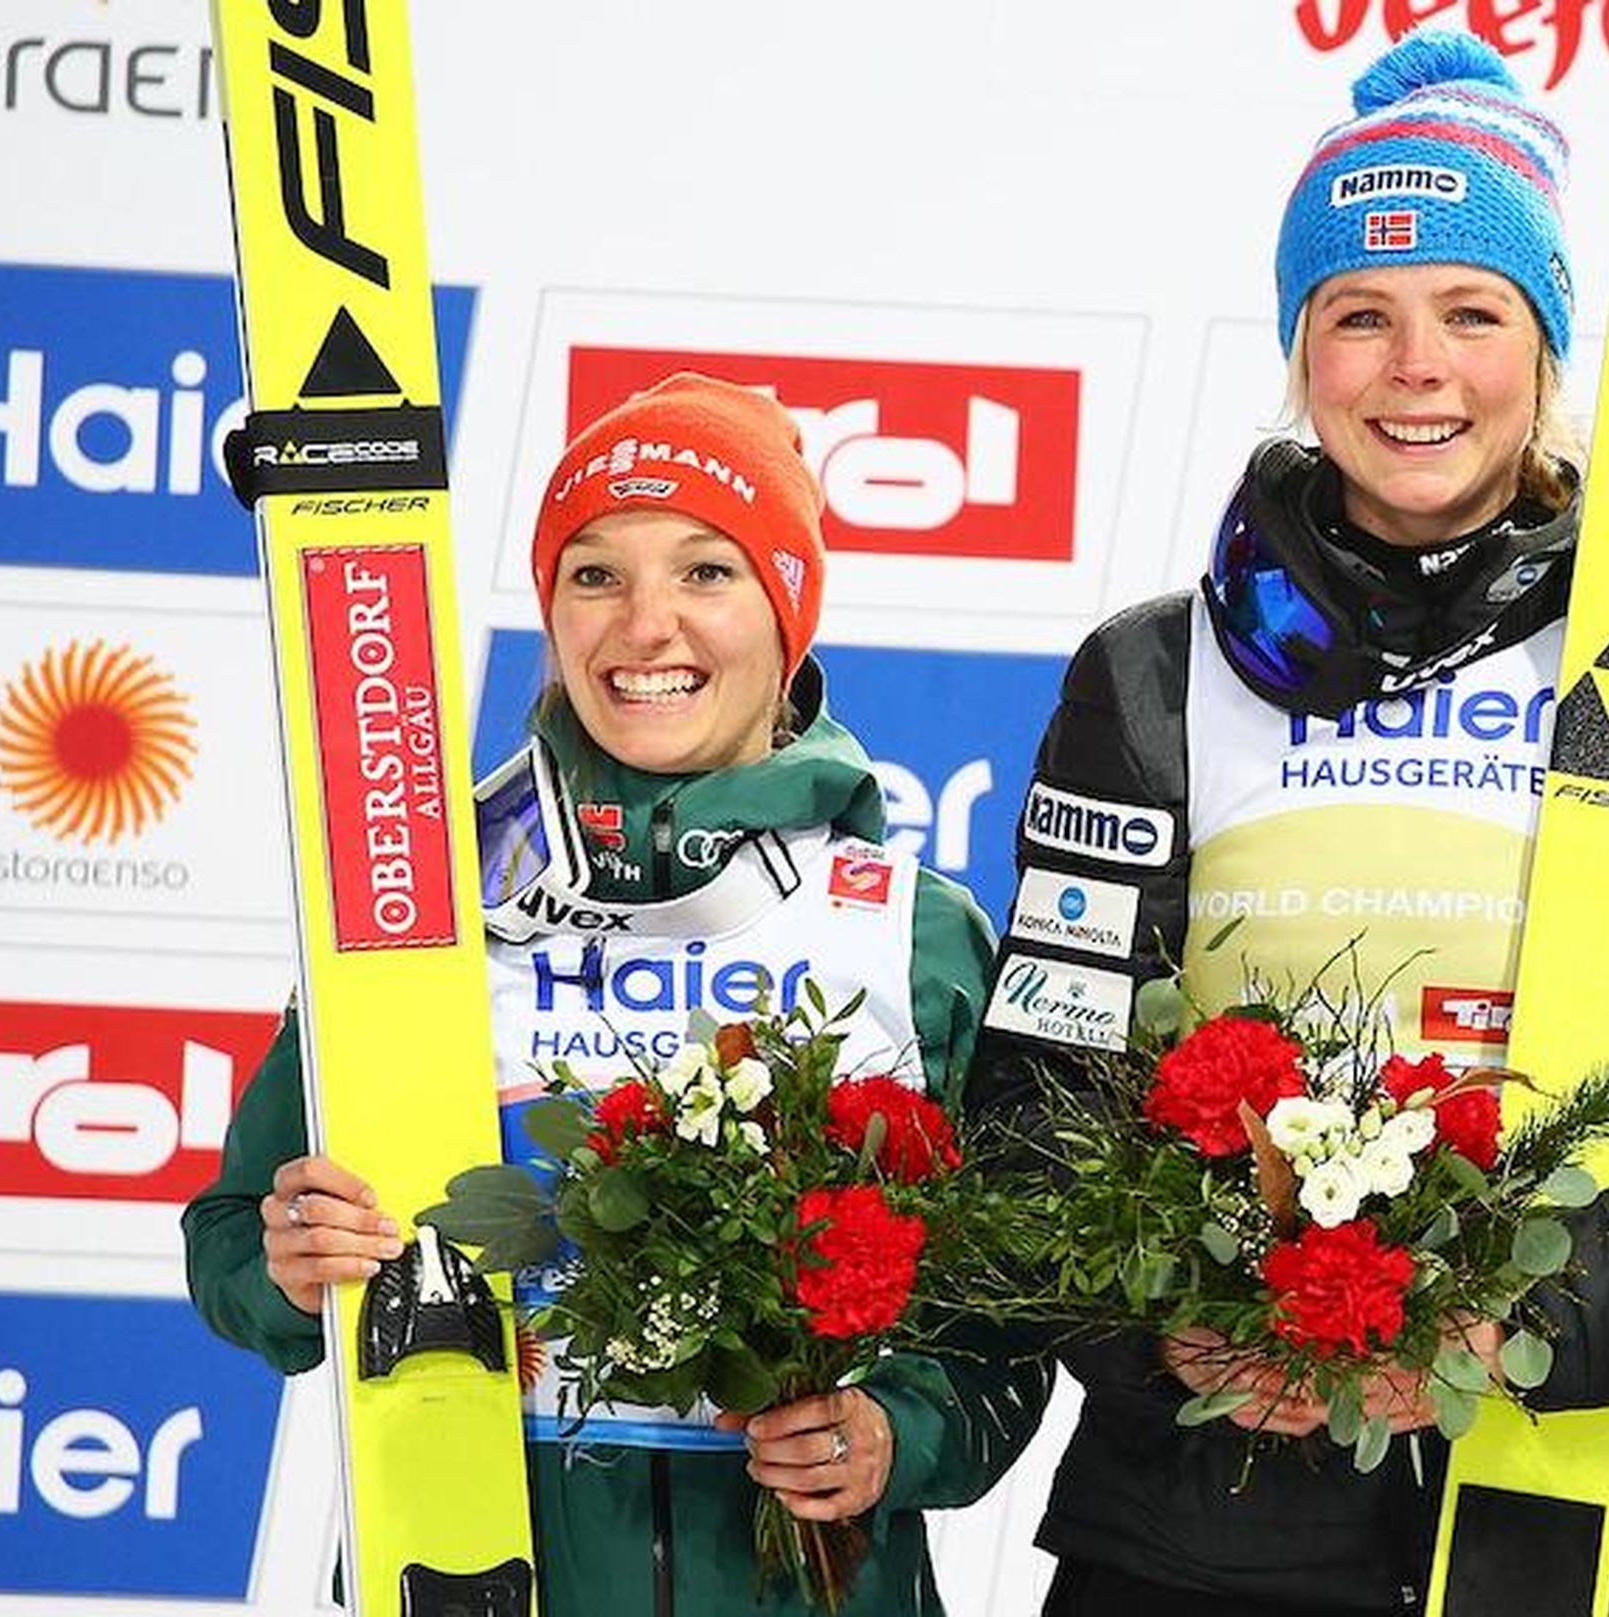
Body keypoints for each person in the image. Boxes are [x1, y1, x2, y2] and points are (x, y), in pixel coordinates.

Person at [967, 32, 1609, 1617]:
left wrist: (1546, 1321)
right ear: (1299, 347)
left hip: (1568, 1509)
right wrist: (1160, 1322)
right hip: (1197, 1523)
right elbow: (1044, 1080)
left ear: (1544, 347)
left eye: (1474, 313)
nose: (1418, 369)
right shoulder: (1152, 675)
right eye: (1359, 316)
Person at [183, 374, 1050, 1617]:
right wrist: (288, 1265)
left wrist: (892, 1434)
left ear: (787, 608)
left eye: (708, 571)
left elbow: (1011, 1324)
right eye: (595, 575)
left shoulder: (908, 932)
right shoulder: (426, 904)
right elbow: (229, 1240)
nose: (646, 628)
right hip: (474, 1568)